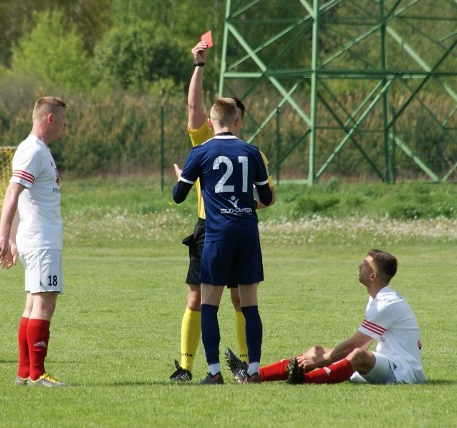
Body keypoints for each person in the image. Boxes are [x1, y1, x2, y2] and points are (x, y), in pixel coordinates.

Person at [169, 40, 276, 383]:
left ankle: (224, 369)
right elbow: (266, 197)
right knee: (208, 299)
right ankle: (190, 366)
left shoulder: (202, 150)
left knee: (218, 303)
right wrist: (198, 66)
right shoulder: (253, 152)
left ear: (218, 120)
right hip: (240, 230)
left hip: (215, 231)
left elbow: (178, 195)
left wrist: (186, 181)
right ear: (237, 119)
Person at [224, 249, 425, 385]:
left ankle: (304, 379)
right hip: (388, 363)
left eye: (365, 264)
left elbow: (355, 346)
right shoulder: (377, 298)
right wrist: (321, 356)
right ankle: (253, 376)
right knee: (314, 351)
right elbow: (361, 345)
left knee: (355, 355)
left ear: (373, 276)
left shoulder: (385, 304)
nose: (359, 266)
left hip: (403, 372)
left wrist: (324, 361)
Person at [0, 96, 68, 387]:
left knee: (33, 303)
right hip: (41, 240)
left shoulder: (37, 150)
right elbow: (12, 192)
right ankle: (37, 373)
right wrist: (2, 234)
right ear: (49, 119)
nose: (64, 126)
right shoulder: (33, 150)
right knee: (44, 304)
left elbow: (24, 198)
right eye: (62, 120)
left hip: (35, 238)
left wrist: (13, 240)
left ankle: (24, 372)